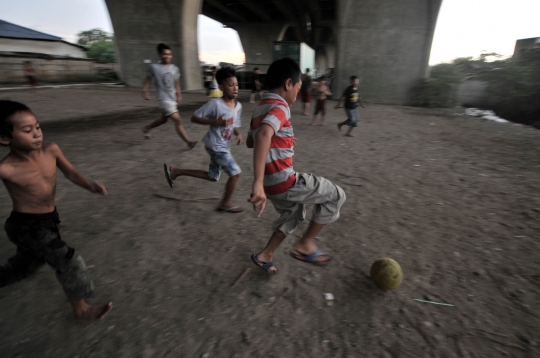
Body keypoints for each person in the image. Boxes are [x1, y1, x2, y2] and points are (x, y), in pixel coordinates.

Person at [0, 100, 113, 321]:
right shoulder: (7, 168)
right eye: (27, 130)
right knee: (68, 260)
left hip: (49, 221)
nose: (36, 134)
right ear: (4, 139)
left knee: (25, 267)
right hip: (26, 226)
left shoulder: (51, 150)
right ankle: (81, 309)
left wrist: (90, 185)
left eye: (38, 127)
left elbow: (70, 173)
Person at [246, 58, 346, 274]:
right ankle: (305, 244)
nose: (296, 96)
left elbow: (251, 140)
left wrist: (284, 139)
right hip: (283, 181)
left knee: (294, 214)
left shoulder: (259, 108)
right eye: (298, 90)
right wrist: (258, 182)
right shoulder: (281, 106)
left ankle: (265, 256)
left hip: (272, 186)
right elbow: (264, 134)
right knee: (336, 195)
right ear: (288, 84)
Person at [164, 67, 244, 213]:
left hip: (223, 146)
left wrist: (237, 133)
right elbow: (194, 118)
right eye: (230, 85)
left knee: (213, 176)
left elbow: (232, 123)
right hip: (215, 146)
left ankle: (176, 171)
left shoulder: (238, 106)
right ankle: (225, 203)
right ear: (221, 87)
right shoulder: (215, 104)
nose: (235, 88)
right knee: (235, 173)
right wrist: (216, 122)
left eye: (236, 85)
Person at [141, 43, 197, 149]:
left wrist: (179, 95)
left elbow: (176, 83)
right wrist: (145, 90)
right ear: (160, 55)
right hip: (163, 98)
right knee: (178, 120)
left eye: (169, 54)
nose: (167, 56)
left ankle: (147, 128)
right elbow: (148, 79)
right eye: (165, 54)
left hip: (172, 98)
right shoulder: (154, 67)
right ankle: (189, 142)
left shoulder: (174, 68)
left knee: (164, 120)